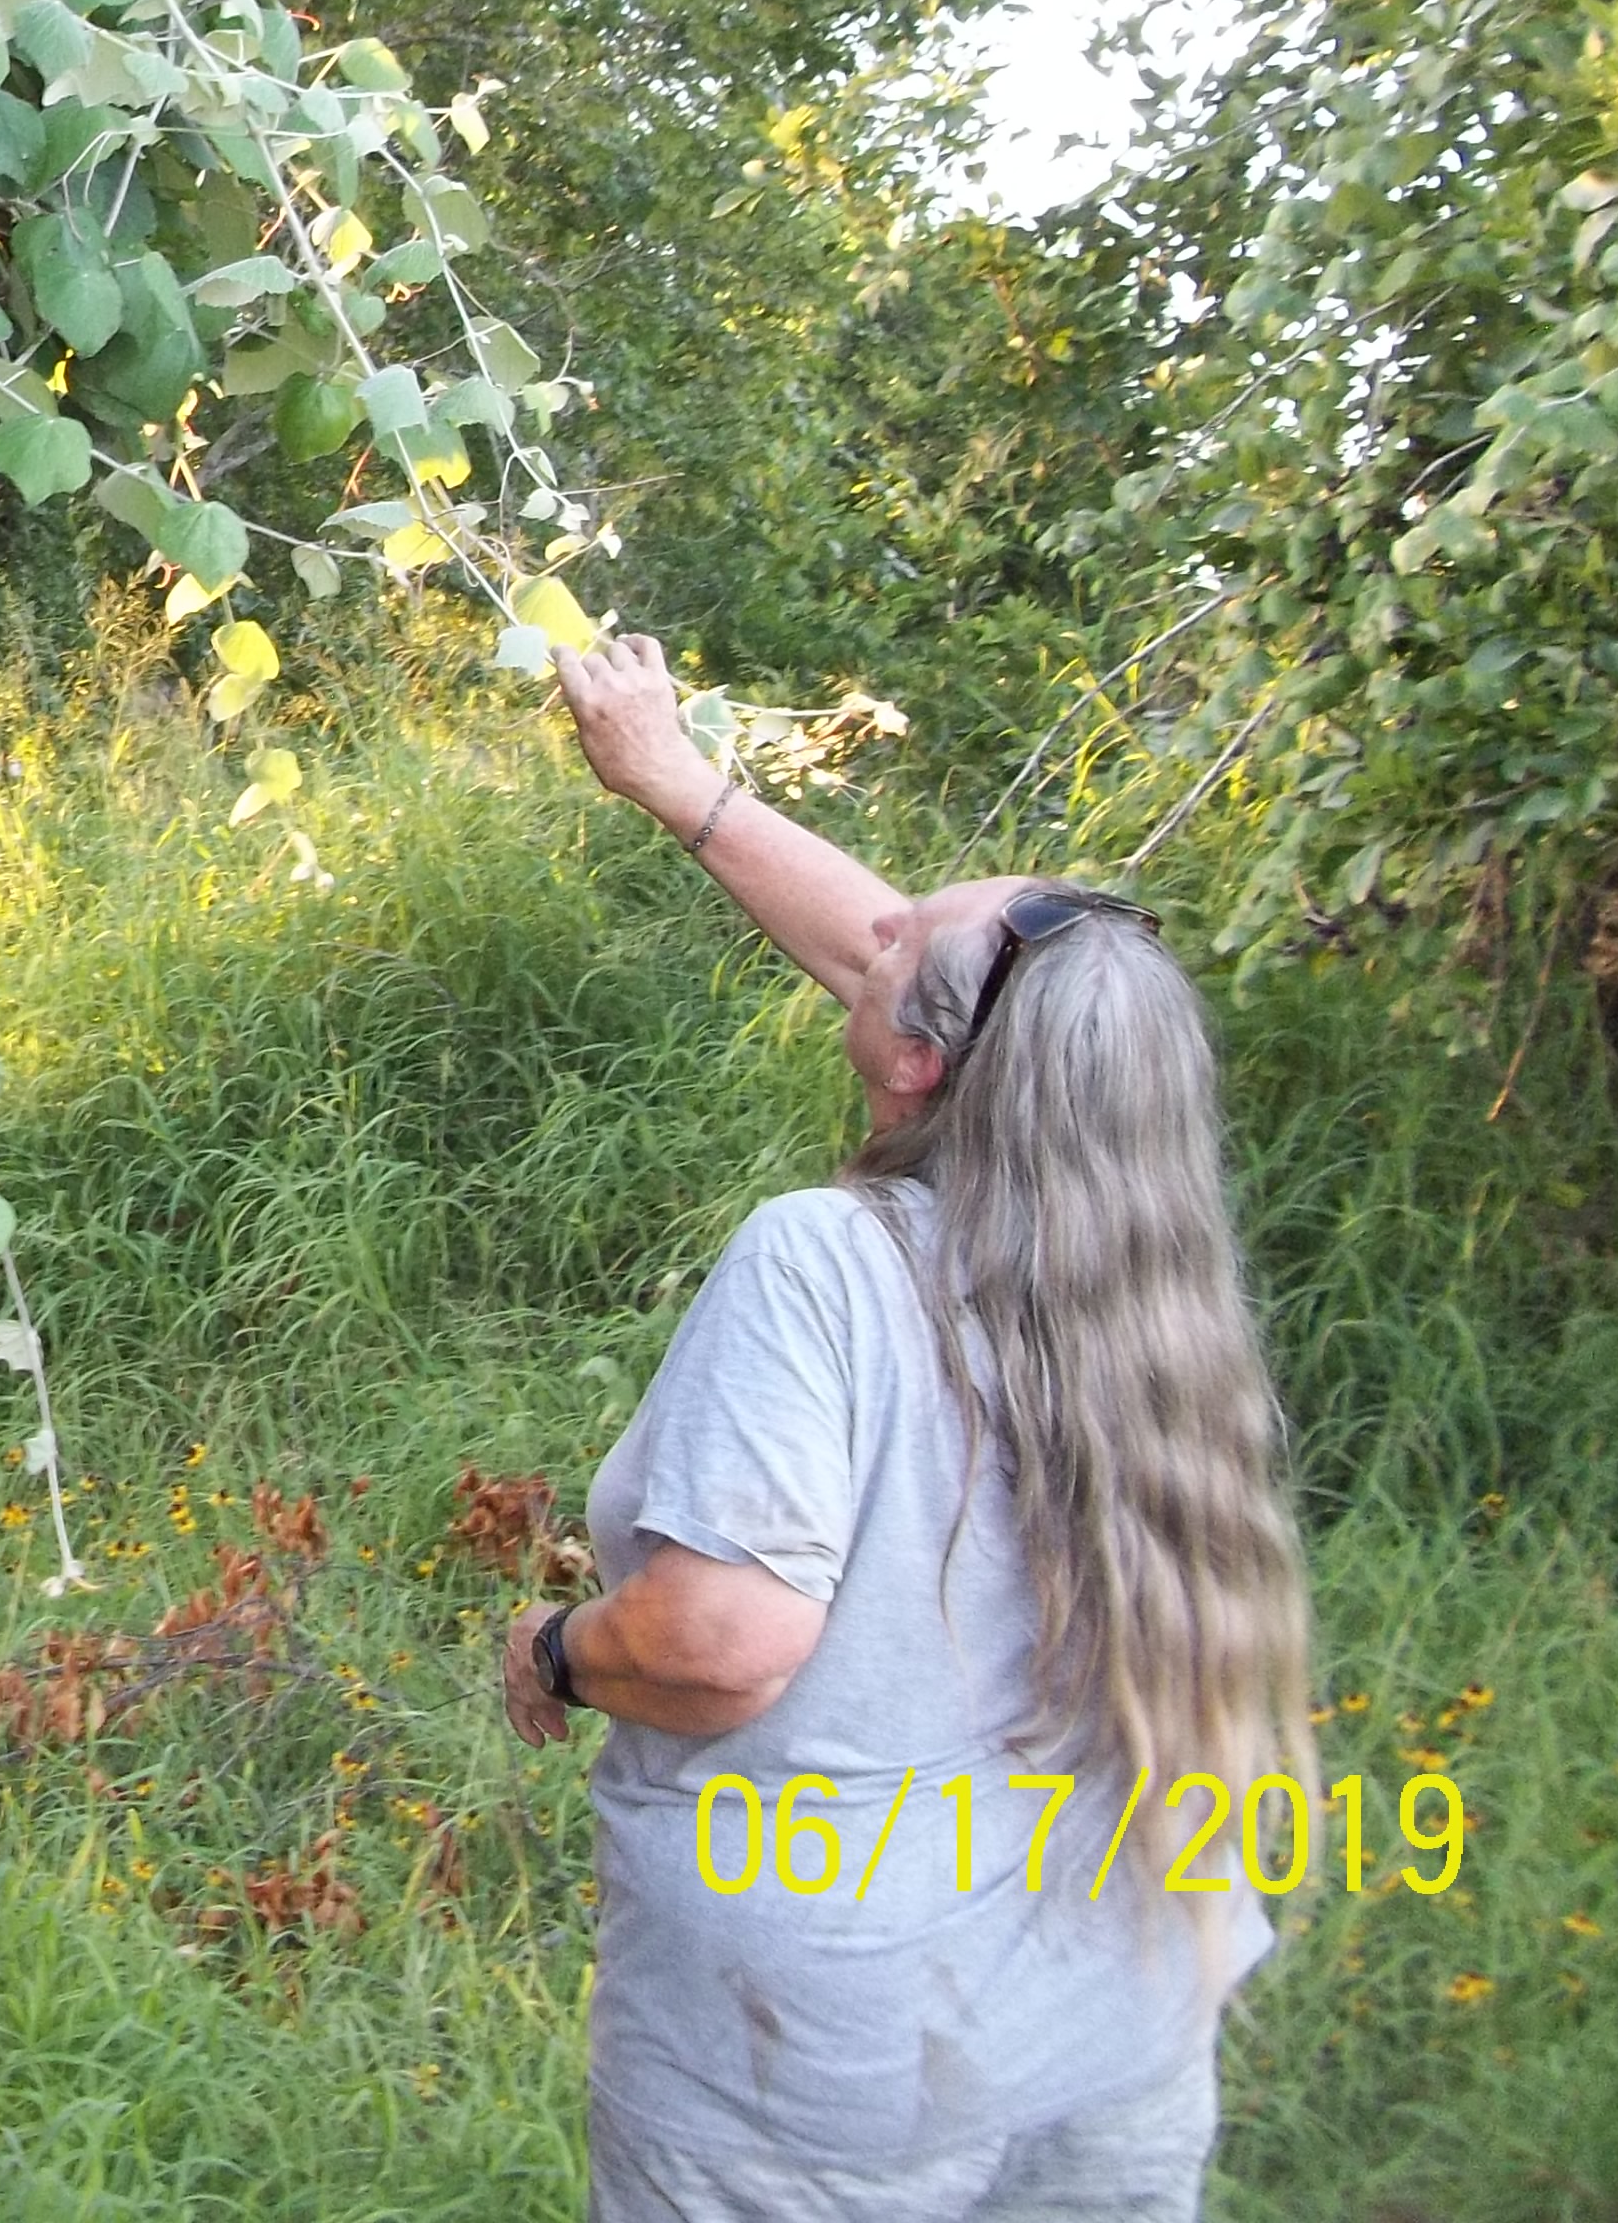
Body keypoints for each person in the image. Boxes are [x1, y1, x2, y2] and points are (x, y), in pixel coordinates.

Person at [506, 633, 1314, 2223]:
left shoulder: (826, 1261)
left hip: (827, 2085)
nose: (864, 939)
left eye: (886, 955)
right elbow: (961, 985)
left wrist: (553, 1652)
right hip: (1122, 2019)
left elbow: (720, 1642)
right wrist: (675, 781)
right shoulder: (1147, 1276)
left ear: (914, 1061)